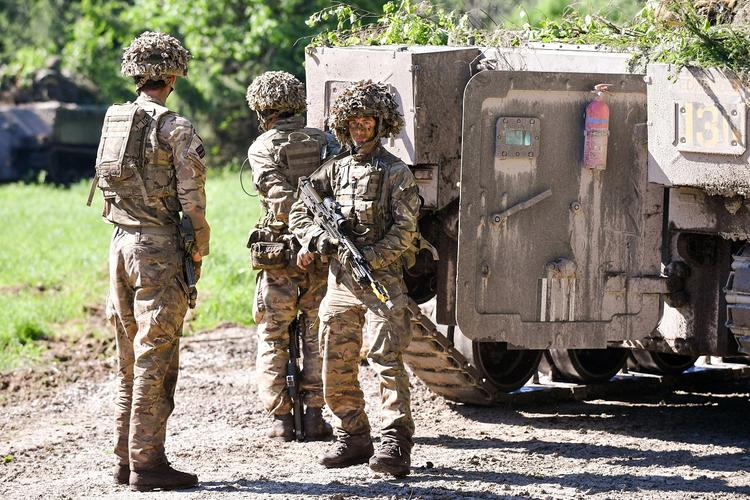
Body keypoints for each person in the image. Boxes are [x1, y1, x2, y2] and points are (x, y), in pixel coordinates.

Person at [92, 31, 209, 491]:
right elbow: (193, 201)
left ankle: (124, 459)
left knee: (127, 358)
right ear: (175, 74)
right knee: (155, 358)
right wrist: (201, 242)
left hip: (119, 244)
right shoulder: (174, 127)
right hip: (157, 250)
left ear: (136, 73)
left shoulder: (114, 118)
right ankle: (147, 463)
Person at [289, 80, 421, 478]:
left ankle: (395, 443)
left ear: (381, 124)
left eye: (367, 122)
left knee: (385, 359)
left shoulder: (396, 172)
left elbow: (406, 228)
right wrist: (319, 240)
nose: (360, 129)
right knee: (335, 361)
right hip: (341, 283)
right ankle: (353, 435)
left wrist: (372, 256)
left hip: (382, 281)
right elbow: (300, 210)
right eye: (353, 123)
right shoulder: (333, 171)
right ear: (343, 127)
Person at [245, 71, 338, 442]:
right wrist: (313, 237)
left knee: (272, 336)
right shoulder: (327, 141)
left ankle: (281, 421)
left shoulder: (261, 146)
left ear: (261, 110)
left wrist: (297, 233)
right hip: (319, 251)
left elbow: (277, 198)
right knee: (317, 334)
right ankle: (315, 417)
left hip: (279, 253)